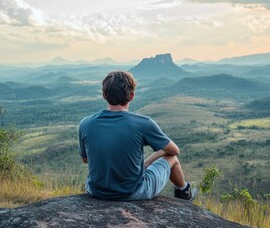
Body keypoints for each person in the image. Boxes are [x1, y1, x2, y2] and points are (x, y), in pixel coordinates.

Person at [78, 71, 195, 201]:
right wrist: (148, 162)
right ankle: (183, 191)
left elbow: (86, 159)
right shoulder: (143, 123)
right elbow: (174, 150)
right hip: (133, 192)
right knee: (172, 158)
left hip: (97, 192)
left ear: (104, 95)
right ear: (132, 96)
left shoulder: (85, 124)